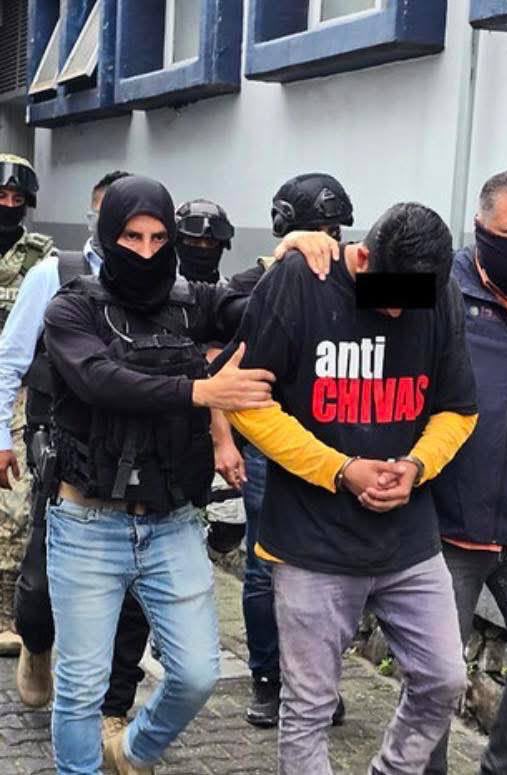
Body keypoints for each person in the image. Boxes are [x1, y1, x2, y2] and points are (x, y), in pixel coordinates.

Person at [275, 170, 507, 775]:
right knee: (430, 676)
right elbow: (350, 271)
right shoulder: (436, 282)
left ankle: (501, 767)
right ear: (480, 231)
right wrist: (296, 244)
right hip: (445, 522)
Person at [214, 201, 479, 775]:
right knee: (308, 706)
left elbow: (459, 410)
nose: (394, 312)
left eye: (408, 302)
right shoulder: (300, 282)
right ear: (363, 257)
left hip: (408, 541)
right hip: (313, 542)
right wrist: (340, 468)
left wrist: (416, 465)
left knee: (442, 677)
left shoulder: (441, 295)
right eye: (385, 296)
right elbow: (248, 406)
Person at [42, 174, 275, 774]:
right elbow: (99, 379)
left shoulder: (189, 302)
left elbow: (253, 302)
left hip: (171, 524)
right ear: (106, 234)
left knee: (198, 673)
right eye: (130, 236)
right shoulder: (72, 305)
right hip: (88, 523)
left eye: (157, 237)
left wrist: (298, 253)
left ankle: (133, 749)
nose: (145, 251)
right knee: (82, 686)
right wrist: (201, 389)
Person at [0, 170, 159, 755]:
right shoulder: (57, 273)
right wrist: (3, 438)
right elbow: (10, 360)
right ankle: (37, 643)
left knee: (134, 598)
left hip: (142, 464)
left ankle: (112, 706)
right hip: (63, 456)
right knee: (40, 588)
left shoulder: (167, 282)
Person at [226, 171, 354, 728]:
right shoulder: (254, 281)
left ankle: (317, 679)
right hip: (271, 444)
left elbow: (423, 295)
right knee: (263, 565)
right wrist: (286, 259)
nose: (328, 239)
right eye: (317, 229)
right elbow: (227, 322)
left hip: (334, 445)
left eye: (334, 229)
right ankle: (267, 678)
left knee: (330, 572)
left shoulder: (351, 280)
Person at [0, 153, 54, 657]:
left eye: (18, 200)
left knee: (13, 500)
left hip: (13, 386)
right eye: (2, 197)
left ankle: (6, 610)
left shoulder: (42, 256)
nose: (10, 205)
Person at [175, 198, 235, 284]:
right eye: (194, 242)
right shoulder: (160, 291)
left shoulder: (233, 293)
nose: (203, 248)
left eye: (211, 244)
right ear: (178, 242)